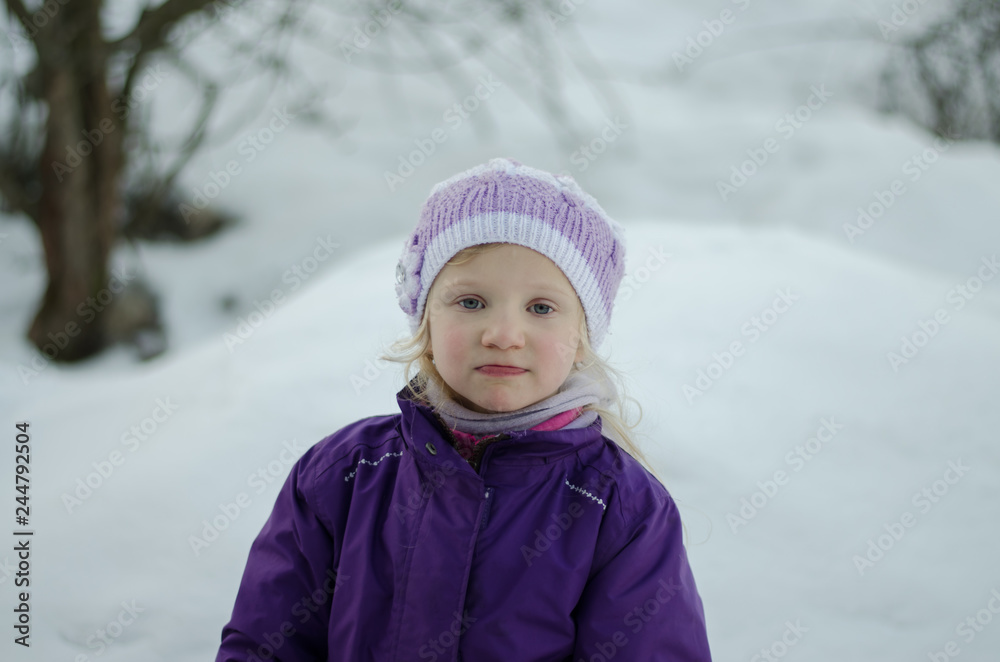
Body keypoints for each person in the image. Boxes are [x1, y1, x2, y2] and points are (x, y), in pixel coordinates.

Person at [215, 157, 712, 661]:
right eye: (471, 302)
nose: (503, 335)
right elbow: (264, 647)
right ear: (425, 321)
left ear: (582, 339)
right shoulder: (344, 475)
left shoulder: (619, 509)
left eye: (541, 308)